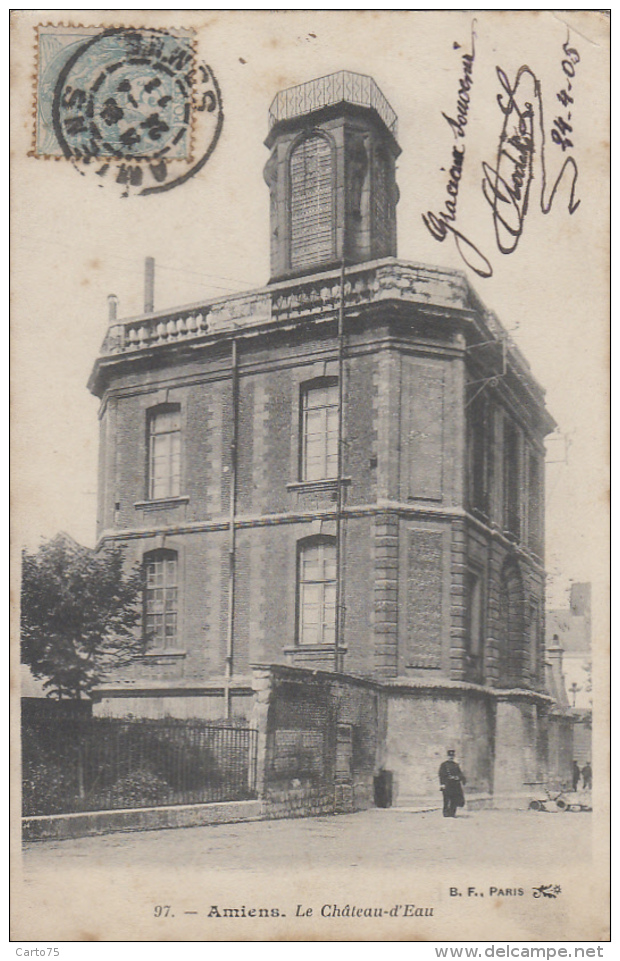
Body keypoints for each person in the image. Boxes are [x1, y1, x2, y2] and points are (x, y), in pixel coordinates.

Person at [439, 749, 466, 817]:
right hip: (447, 784)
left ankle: (452, 813)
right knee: (446, 799)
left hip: (455, 785)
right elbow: (441, 774)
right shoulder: (444, 765)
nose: (451, 757)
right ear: (447, 756)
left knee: (454, 799)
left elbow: (460, 774)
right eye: (449, 756)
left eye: (452, 756)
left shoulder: (456, 765)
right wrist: (442, 784)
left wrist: (458, 778)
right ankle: (446, 813)